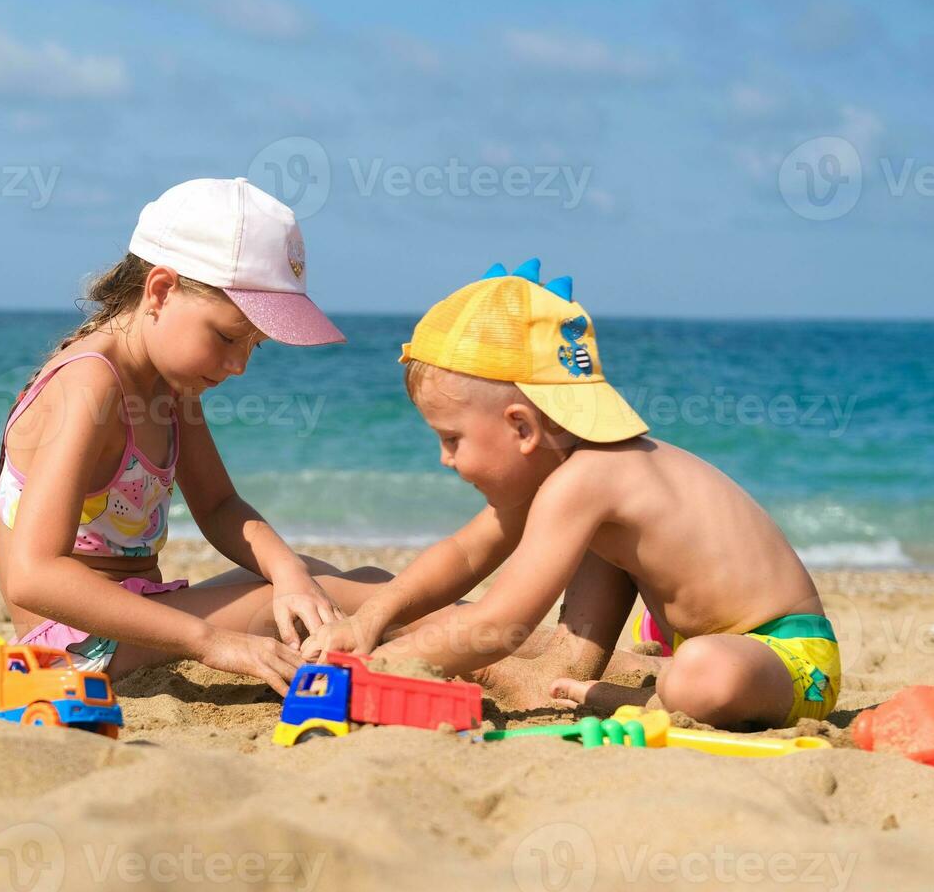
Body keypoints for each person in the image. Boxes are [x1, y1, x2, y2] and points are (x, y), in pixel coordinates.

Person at [302, 260, 838, 728]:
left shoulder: (588, 478)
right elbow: (464, 554)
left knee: (701, 673)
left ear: (522, 429)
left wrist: (384, 668)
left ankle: (634, 694)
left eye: (451, 439)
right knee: (654, 614)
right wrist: (370, 618)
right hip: (711, 648)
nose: (445, 459)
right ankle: (593, 679)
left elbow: (495, 625)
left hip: (789, 659)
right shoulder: (576, 472)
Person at [0, 178, 389, 695]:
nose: (240, 365)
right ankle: (503, 658)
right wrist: (210, 642)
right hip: (72, 645)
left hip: (139, 618)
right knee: (344, 595)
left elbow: (220, 506)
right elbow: (34, 575)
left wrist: (287, 570)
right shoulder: (89, 384)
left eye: (255, 346)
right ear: (160, 290)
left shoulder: (169, 385)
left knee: (342, 581)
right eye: (227, 337)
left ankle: (500, 641)